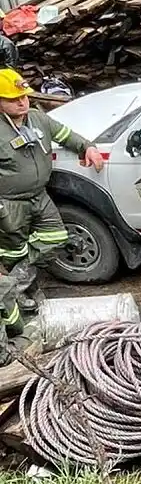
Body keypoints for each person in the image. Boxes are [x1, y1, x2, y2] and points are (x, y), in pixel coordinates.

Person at [0, 68, 103, 316]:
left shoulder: (38, 118)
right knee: (13, 252)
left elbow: (66, 135)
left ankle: (11, 290)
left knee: (55, 238)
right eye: (13, 99)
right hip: (8, 203)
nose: (22, 101)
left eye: (23, 96)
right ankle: (17, 295)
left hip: (39, 196)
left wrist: (88, 147)